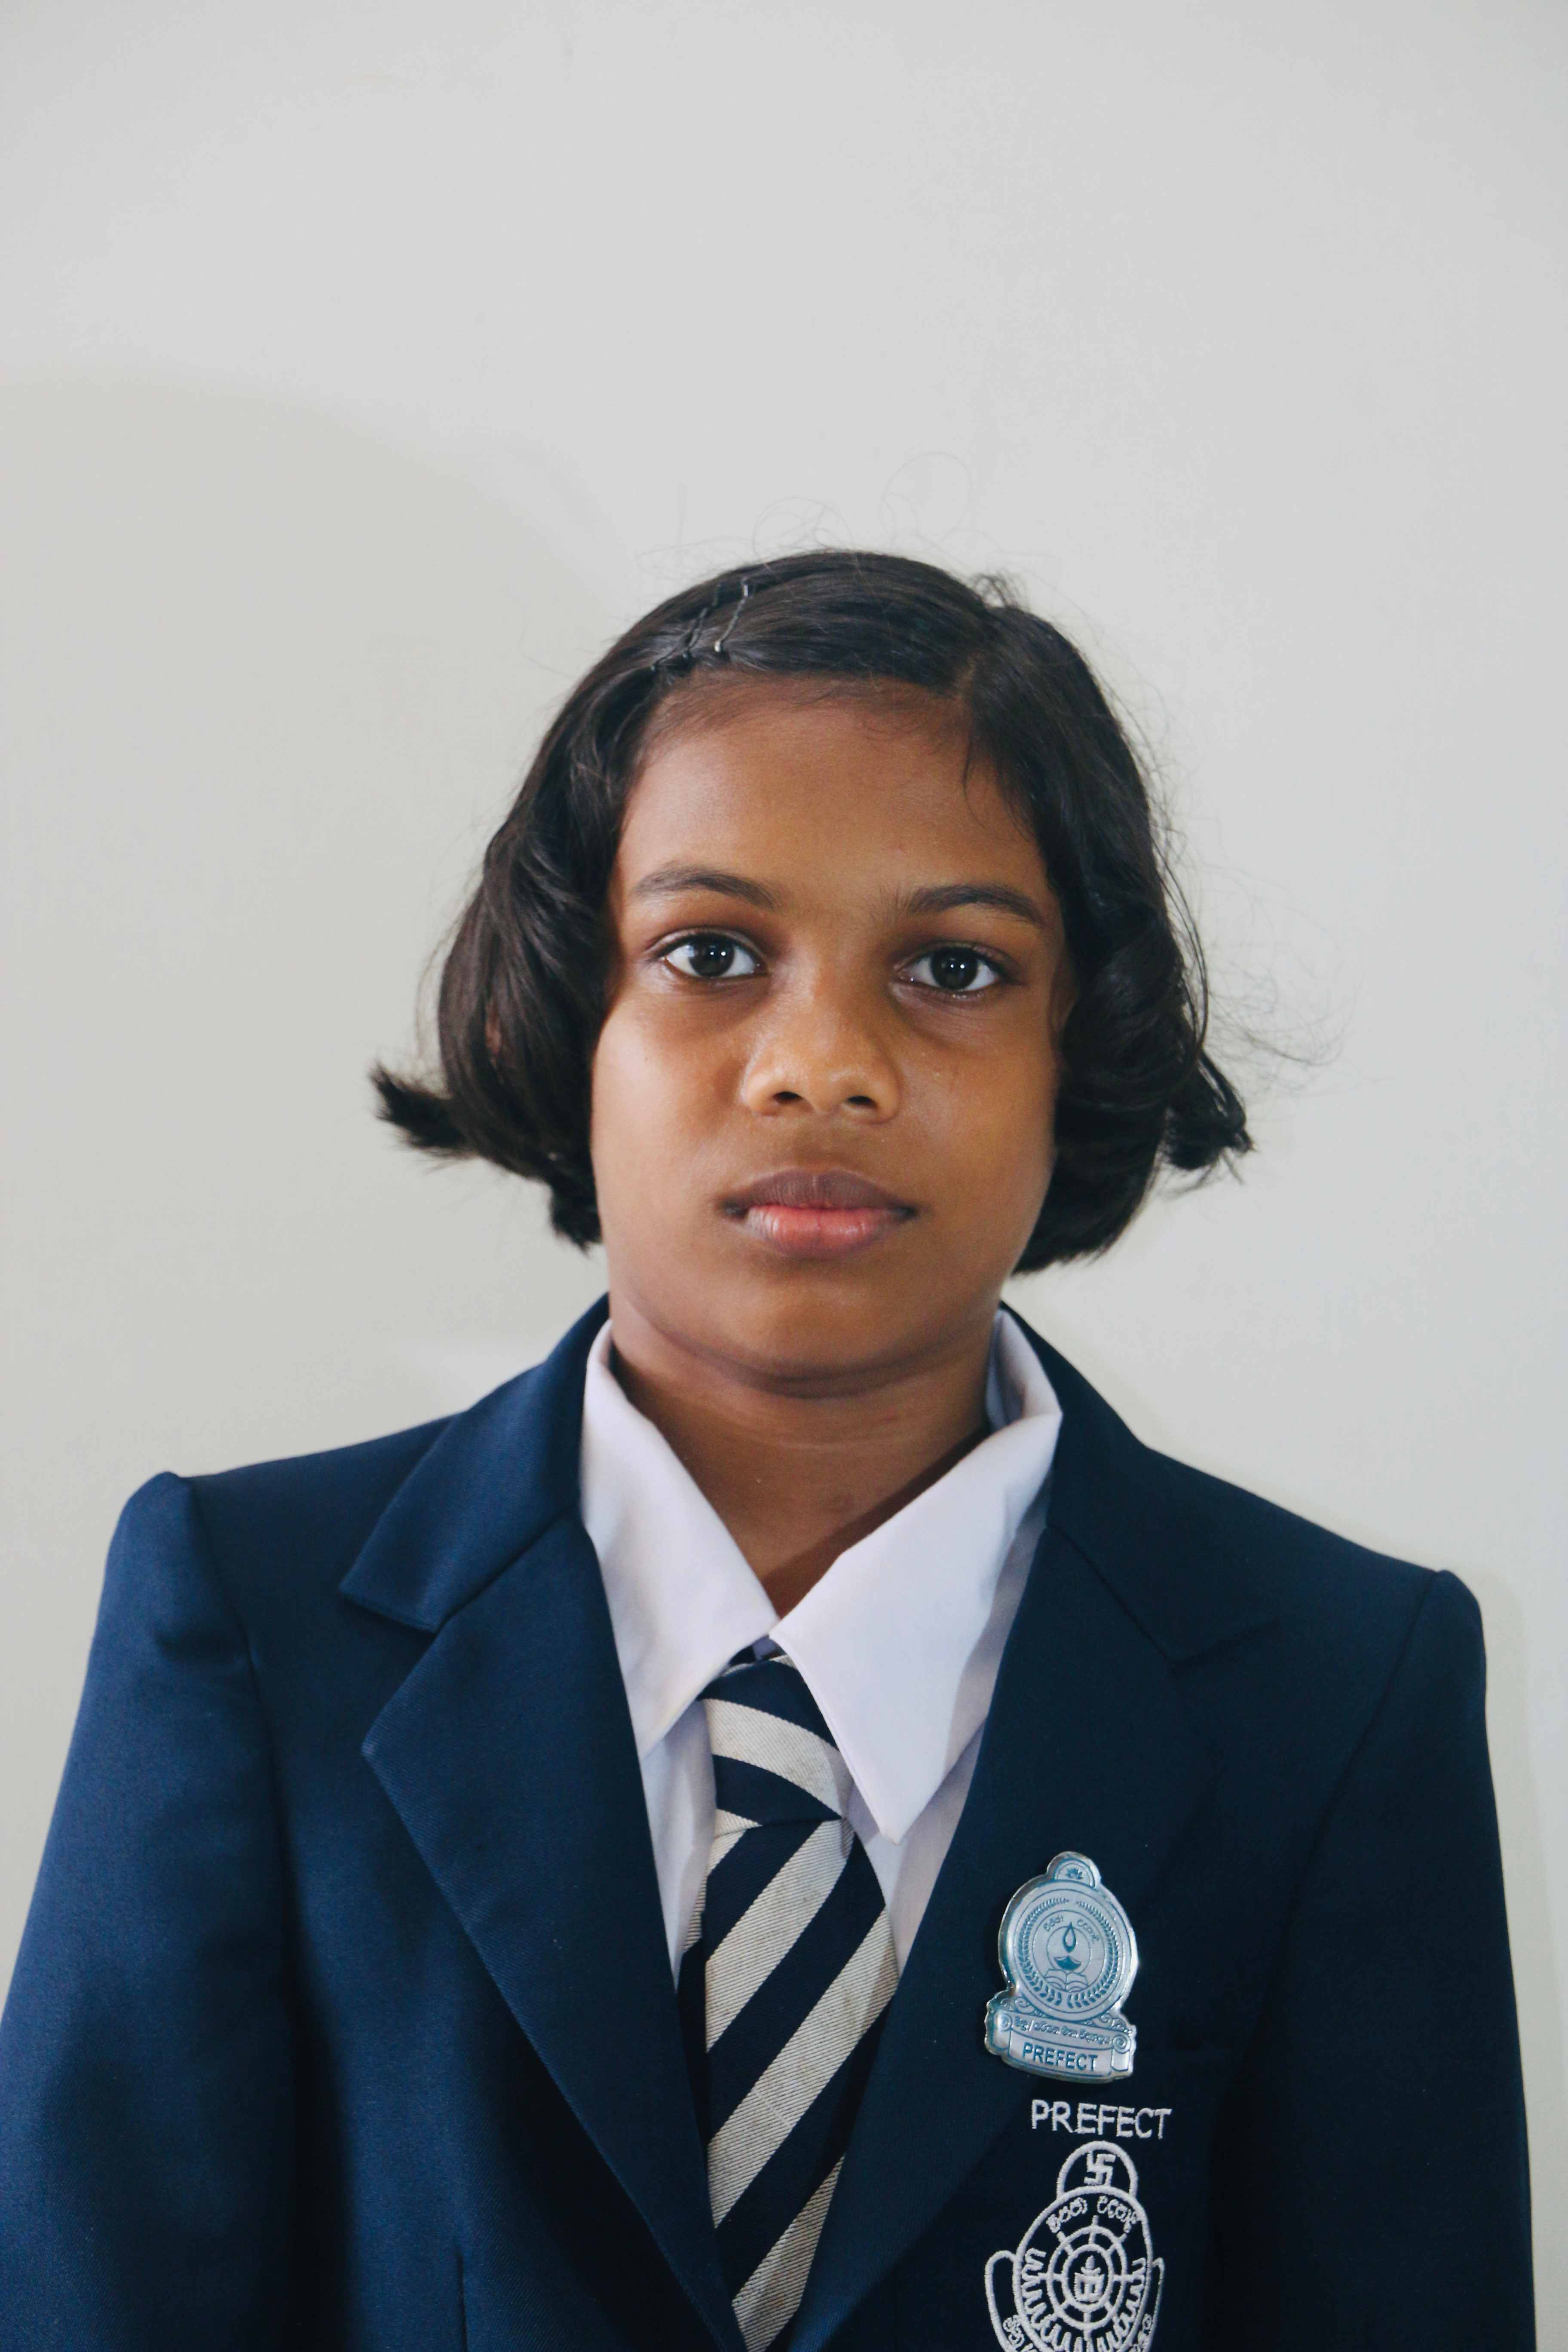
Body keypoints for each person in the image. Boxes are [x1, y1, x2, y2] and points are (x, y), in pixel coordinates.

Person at [0, 553, 1532, 2350]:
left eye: (954, 967)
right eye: (710, 954)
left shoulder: (1339, 1690)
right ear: (568, 1016)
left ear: (1082, 1050)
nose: (823, 1064)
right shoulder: (252, 1624)